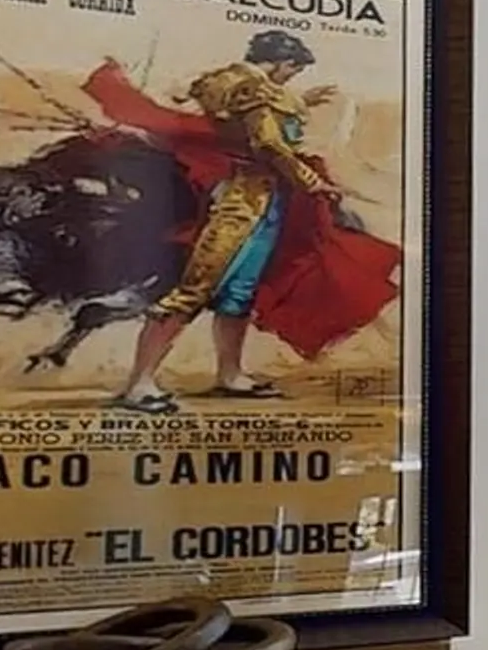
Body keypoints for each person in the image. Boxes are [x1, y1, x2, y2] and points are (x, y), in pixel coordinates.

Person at [85, 29, 402, 410]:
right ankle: (138, 385)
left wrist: (299, 101)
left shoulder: (233, 84)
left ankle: (230, 375)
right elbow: (268, 143)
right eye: (292, 71)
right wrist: (311, 181)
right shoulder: (255, 90)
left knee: (239, 293)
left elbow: (245, 122)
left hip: (260, 200)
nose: (290, 79)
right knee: (194, 290)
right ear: (281, 63)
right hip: (243, 202)